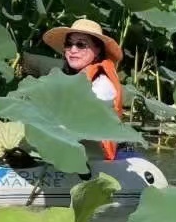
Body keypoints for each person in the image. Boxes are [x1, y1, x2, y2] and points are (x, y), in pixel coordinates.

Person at [42, 16, 124, 160]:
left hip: (93, 152)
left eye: (81, 45)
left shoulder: (102, 84)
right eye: (69, 44)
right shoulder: (71, 78)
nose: (73, 50)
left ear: (97, 50)